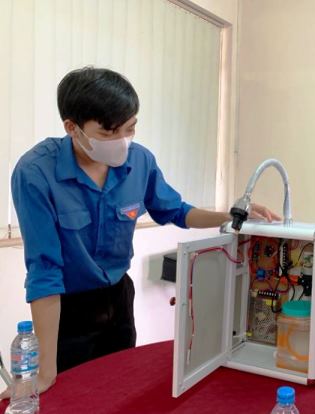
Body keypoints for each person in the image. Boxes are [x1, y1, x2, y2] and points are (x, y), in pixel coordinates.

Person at [0, 67, 279, 399]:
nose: (122, 140)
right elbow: (45, 270)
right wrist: (45, 371)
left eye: (130, 128)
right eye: (109, 132)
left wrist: (232, 216)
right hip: (67, 309)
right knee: (70, 397)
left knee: (119, 390)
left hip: (118, 298)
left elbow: (176, 210)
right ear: (72, 128)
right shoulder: (36, 173)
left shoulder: (140, 161)